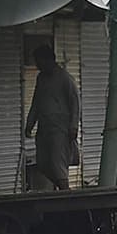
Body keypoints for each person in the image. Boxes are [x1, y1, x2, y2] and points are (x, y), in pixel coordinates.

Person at [23, 43, 79, 191]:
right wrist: (29, 124)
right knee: (42, 163)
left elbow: (75, 102)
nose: (38, 65)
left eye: (39, 61)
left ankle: (65, 194)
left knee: (57, 163)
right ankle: (63, 188)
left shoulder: (64, 78)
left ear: (48, 60)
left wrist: (73, 126)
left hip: (59, 128)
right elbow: (36, 102)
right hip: (44, 127)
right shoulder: (41, 78)